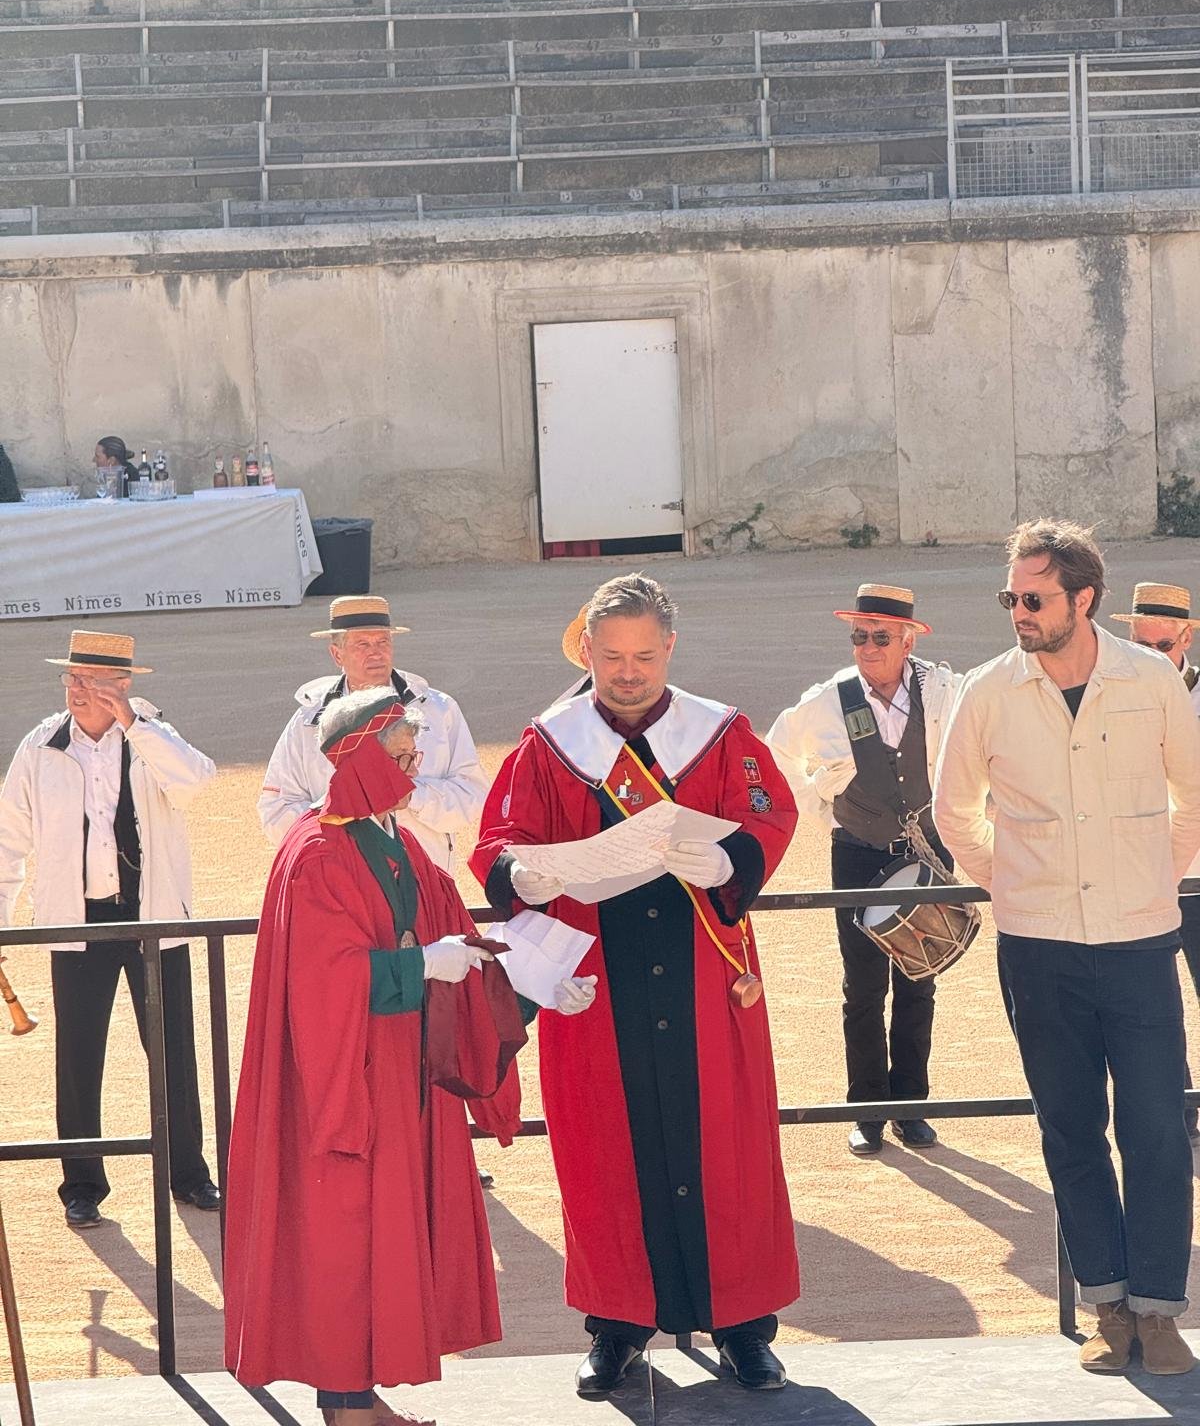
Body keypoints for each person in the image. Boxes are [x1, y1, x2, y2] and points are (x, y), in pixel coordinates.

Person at [225, 688, 595, 1426]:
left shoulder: (398, 842)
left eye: (413, 753)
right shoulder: (317, 853)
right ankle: (347, 1411)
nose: (414, 766)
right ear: (352, 756)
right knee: (343, 1239)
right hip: (346, 1084)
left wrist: (538, 986)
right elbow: (324, 982)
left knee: (370, 1240)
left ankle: (362, 1400)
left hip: (397, 1076)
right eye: (399, 755)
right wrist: (421, 964)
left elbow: (459, 935)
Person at [471, 573, 800, 1397]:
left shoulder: (720, 734)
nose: (627, 672)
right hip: (595, 984)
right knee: (602, 1157)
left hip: (704, 979)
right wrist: (526, 875)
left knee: (728, 1152)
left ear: (670, 650)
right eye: (612, 655)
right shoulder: (550, 745)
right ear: (587, 650)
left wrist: (733, 858)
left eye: (645, 656)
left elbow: (770, 810)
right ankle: (615, 1326)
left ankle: (745, 1329)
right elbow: (498, 841)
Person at [933, 521, 1200, 1377]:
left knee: (1160, 1127)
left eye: (1034, 597)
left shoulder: (1152, 679)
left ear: (1083, 600)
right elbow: (952, 811)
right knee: (1070, 1132)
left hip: (1137, 945)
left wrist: (1156, 874)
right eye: (1010, 596)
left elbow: (1196, 793)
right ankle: (1108, 1305)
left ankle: (1161, 1310)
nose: (1018, 610)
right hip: (1038, 951)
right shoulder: (987, 691)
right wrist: (1009, 883)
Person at [0, 630, 219, 1228]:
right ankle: (82, 1183)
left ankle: (189, 1174)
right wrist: (2, 924)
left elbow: (198, 782)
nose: (75, 690)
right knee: (78, 1056)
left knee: (172, 1049)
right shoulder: (41, 745)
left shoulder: (153, 736)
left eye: (89, 681)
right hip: (80, 920)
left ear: (121, 687)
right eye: (70, 678)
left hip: (152, 920)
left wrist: (136, 725)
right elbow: (7, 839)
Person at [767, 584, 960, 1157]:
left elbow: (976, 748)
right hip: (856, 850)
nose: (868, 647)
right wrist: (820, 804)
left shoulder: (945, 690)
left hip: (926, 848)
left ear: (907, 640)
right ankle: (867, 1111)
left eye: (880, 637)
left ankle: (913, 1107)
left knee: (920, 976)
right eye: (859, 636)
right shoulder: (829, 699)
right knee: (863, 985)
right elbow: (775, 752)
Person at [258, 595, 488, 876]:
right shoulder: (308, 721)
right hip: (341, 881)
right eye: (362, 644)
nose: (376, 653)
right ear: (336, 654)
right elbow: (275, 809)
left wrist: (412, 797)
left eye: (383, 642)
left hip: (424, 877)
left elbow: (473, 795)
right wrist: (337, 820)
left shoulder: (439, 711)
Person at [1111, 581, 1200, 1142]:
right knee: (1152, 1009)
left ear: (1186, 638)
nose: (1153, 658)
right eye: (1142, 646)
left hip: (1199, 878)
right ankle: (1178, 1110)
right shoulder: (1115, 697)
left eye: (1162, 645)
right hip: (1141, 876)